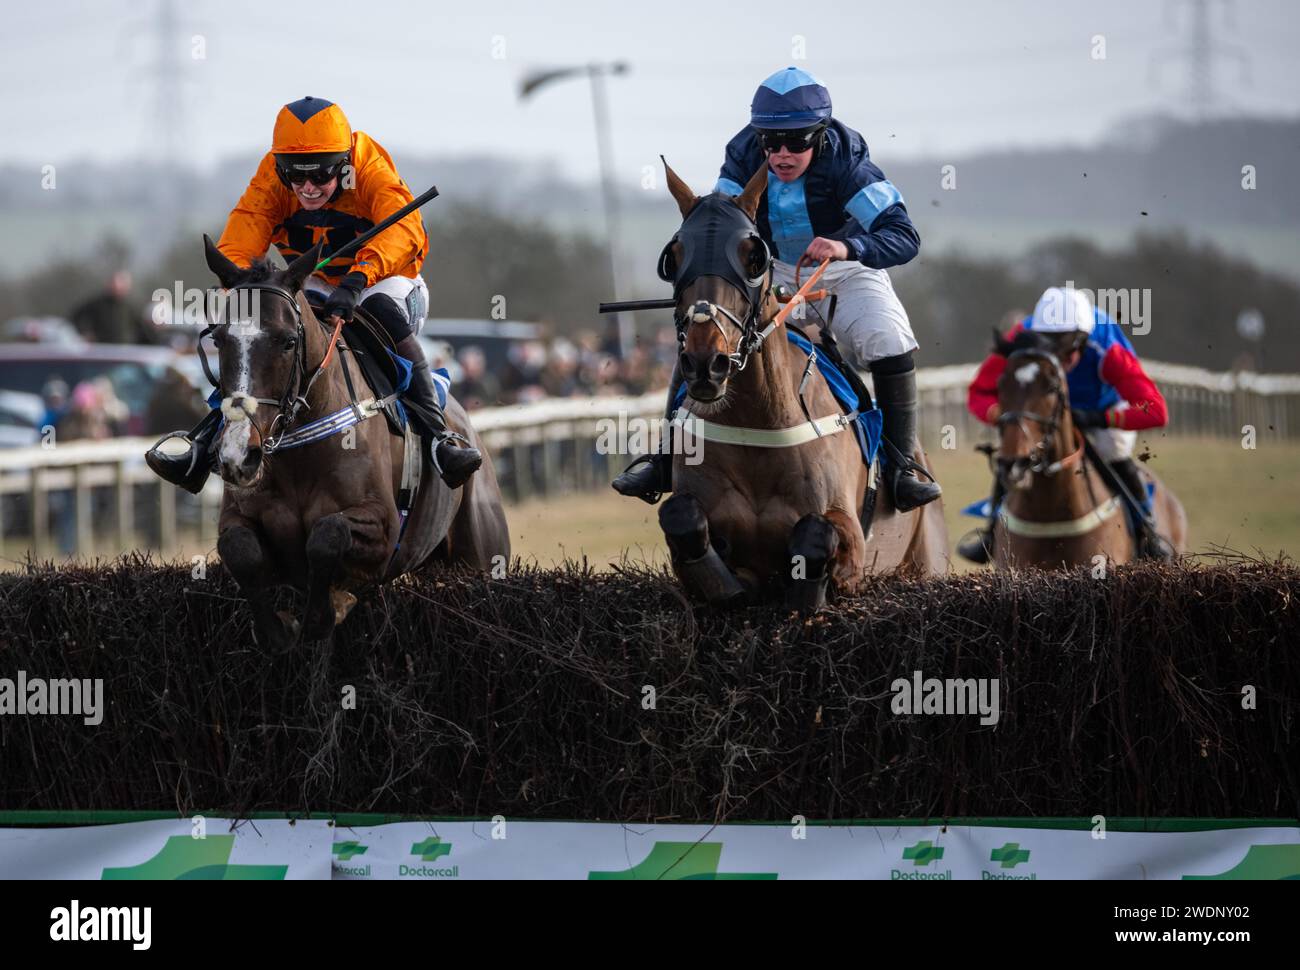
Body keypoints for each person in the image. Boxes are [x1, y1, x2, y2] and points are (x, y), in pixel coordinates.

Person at [613, 67, 941, 512]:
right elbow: (720, 222)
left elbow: (904, 237)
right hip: (769, 273)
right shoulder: (743, 153)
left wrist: (846, 245)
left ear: (820, 135)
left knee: (889, 340)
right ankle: (667, 457)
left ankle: (901, 467)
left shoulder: (848, 164)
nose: (782, 154)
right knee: (705, 335)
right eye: (772, 142)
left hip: (845, 269)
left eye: (797, 142)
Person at [146, 96, 481, 493]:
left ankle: (440, 438)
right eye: (295, 176)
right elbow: (242, 234)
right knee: (258, 331)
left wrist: (358, 278)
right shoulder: (271, 176)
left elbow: (406, 232)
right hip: (313, 283)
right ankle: (206, 441)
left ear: (343, 165)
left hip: (385, 280)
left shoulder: (369, 165)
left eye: (320, 176)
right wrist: (239, 285)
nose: (307, 187)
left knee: (379, 308)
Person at [958, 286, 1172, 563]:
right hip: (1043, 414)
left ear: (1083, 343)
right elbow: (978, 393)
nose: (1057, 361)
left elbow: (1155, 410)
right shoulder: (1022, 338)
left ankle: (1147, 534)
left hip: (1099, 411)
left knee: (1113, 451)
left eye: (1065, 353)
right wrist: (1007, 416)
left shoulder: (1107, 348)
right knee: (1014, 453)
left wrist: (1099, 419)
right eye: (1050, 349)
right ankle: (990, 533)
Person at [70, 271, 158, 345]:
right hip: (100, 352)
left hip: (124, 354)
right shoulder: (96, 304)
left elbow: (143, 330)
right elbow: (76, 316)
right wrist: (85, 332)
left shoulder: (130, 308)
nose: (118, 288)